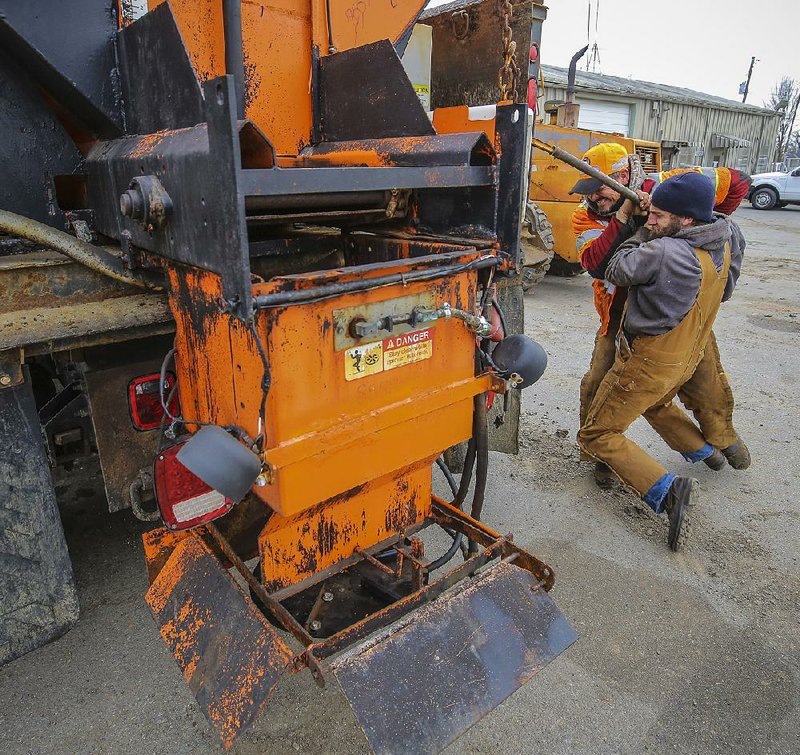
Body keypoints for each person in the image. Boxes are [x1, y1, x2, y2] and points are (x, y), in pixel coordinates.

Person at [577, 172, 745, 551]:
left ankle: (667, 491)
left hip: (649, 360)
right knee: (656, 402)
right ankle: (706, 452)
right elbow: (727, 289)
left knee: (598, 434)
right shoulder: (728, 237)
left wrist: (638, 230)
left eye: (659, 215)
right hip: (689, 352)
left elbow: (615, 267)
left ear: (686, 219)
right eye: (651, 213)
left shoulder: (663, 250)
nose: (651, 218)